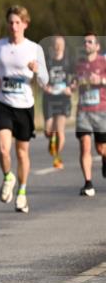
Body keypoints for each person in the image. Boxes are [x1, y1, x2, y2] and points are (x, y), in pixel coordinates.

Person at [0, 6, 48, 213]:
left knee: (22, 153)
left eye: (17, 22)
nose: (14, 26)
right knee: (3, 149)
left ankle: (22, 192)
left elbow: (44, 81)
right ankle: (8, 177)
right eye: (11, 22)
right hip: (4, 103)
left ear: (25, 24)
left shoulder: (34, 48)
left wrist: (36, 70)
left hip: (25, 106)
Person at [72, 33, 106, 197]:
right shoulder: (79, 64)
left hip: (101, 110)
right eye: (84, 41)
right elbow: (73, 81)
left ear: (97, 46)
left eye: (90, 42)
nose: (86, 44)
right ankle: (88, 183)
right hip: (84, 111)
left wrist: (100, 80)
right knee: (85, 145)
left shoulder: (103, 61)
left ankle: (104, 158)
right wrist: (71, 85)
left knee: (101, 148)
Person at [43, 36, 72, 169]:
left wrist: (70, 88)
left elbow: (76, 78)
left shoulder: (68, 62)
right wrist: (45, 86)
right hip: (49, 99)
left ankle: (57, 157)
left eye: (61, 44)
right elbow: (40, 78)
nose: (58, 46)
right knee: (48, 131)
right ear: (52, 46)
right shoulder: (47, 62)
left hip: (63, 99)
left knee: (60, 131)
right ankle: (51, 138)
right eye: (56, 44)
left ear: (64, 46)